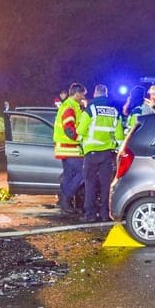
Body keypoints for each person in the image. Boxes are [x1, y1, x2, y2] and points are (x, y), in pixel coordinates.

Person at [77, 84, 124, 222]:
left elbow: (80, 130)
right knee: (105, 185)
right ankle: (105, 214)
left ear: (96, 94)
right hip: (107, 154)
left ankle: (90, 215)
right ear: (106, 94)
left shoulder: (90, 109)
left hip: (91, 153)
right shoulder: (114, 111)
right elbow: (119, 135)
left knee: (90, 184)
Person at [52, 83, 86, 214]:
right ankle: (65, 198)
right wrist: (80, 139)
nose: (83, 96)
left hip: (65, 147)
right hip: (69, 147)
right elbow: (69, 130)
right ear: (76, 93)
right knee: (83, 173)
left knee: (68, 176)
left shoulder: (71, 106)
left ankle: (65, 202)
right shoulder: (69, 107)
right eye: (82, 94)